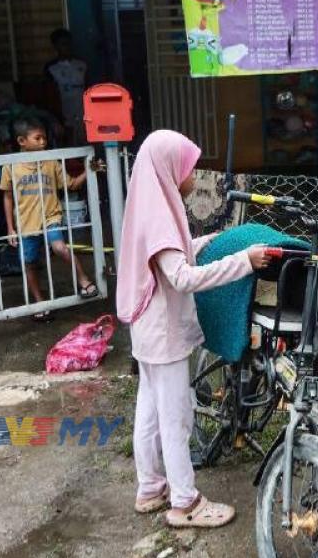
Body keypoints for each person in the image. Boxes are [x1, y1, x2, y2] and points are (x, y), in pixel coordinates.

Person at [116, 130, 271, 528]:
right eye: (189, 169)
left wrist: (205, 242)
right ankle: (185, 502)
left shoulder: (151, 205)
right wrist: (244, 261)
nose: (194, 178)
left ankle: (150, 488)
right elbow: (182, 277)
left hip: (147, 330)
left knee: (149, 411)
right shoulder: (160, 217)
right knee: (176, 417)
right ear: (169, 169)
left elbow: (171, 256)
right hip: (162, 335)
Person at [0, 115, 99, 320]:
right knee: (29, 262)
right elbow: (7, 197)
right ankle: (40, 302)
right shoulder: (10, 166)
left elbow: (71, 184)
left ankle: (83, 280)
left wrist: (90, 170)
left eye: (44, 138)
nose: (43, 142)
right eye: (38, 138)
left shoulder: (51, 162)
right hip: (26, 223)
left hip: (51, 216)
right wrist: (10, 228)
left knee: (59, 248)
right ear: (21, 141)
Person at [44, 29, 87, 146]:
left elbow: (88, 88)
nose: (66, 47)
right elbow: (50, 93)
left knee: (84, 141)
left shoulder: (82, 64)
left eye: (68, 44)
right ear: (56, 46)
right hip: (63, 110)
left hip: (82, 110)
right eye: (62, 44)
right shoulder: (51, 68)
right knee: (68, 142)